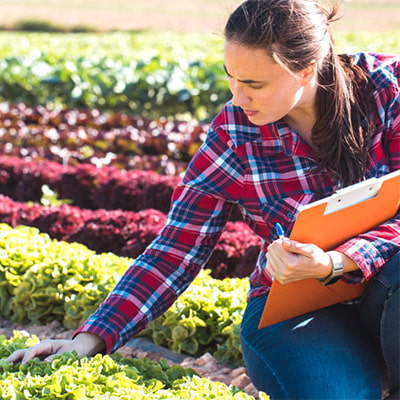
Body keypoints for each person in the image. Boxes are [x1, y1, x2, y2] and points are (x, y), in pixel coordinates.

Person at [7, 0, 399, 398]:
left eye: (255, 84)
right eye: (232, 77)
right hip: (297, 311)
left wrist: (336, 261)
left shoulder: (387, 90)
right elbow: (176, 248)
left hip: (387, 288)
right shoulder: (234, 134)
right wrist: (88, 340)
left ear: (307, 69)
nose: (238, 97)